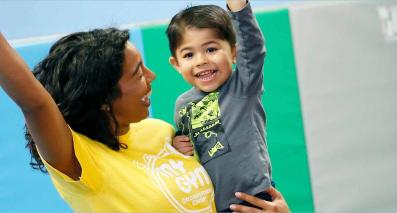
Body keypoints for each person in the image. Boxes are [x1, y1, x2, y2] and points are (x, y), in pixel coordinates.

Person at [0, 27, 289, 212]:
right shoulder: (80, 160)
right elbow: (36, 104)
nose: (152, 77)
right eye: (138, 73)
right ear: (103, 99)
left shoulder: (160, 130)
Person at [167, 0, 273, 211]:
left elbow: (252, 47)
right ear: (176, 64)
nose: (201, 61)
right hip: (210, 205)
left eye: (211, 49)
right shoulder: (182, 105)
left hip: (254, 199)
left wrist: (238, 7)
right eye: (189, 55)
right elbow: (191, 157)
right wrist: (177, 148)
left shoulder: (242, 86)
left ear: (234, 53)